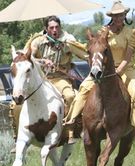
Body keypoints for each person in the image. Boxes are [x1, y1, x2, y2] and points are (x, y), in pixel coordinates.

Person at [64, 0, 135, 139]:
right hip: (104, 68)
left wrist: (118, 70)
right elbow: (97, 51)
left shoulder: (131, 34)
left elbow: (127, 57)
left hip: (125, 68)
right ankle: (72, 120)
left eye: (121, 15)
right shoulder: (103, 32)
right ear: (112, 16)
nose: (119, 18)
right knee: (83, 87)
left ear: (125, 15)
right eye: (116, 16)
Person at [10, 15, 88, 150]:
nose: (54, 30)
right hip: (41, 79)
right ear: (46, 29)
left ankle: (71, 130)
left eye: (57, 27)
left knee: (70, 96)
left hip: (60, 78)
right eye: (51, 27)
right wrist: (43, 61)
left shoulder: (68, 40)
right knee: (14, 104)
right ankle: (18, 138)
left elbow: (85, 54)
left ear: (60, 27)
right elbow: (28, 58)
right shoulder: (38, 40)